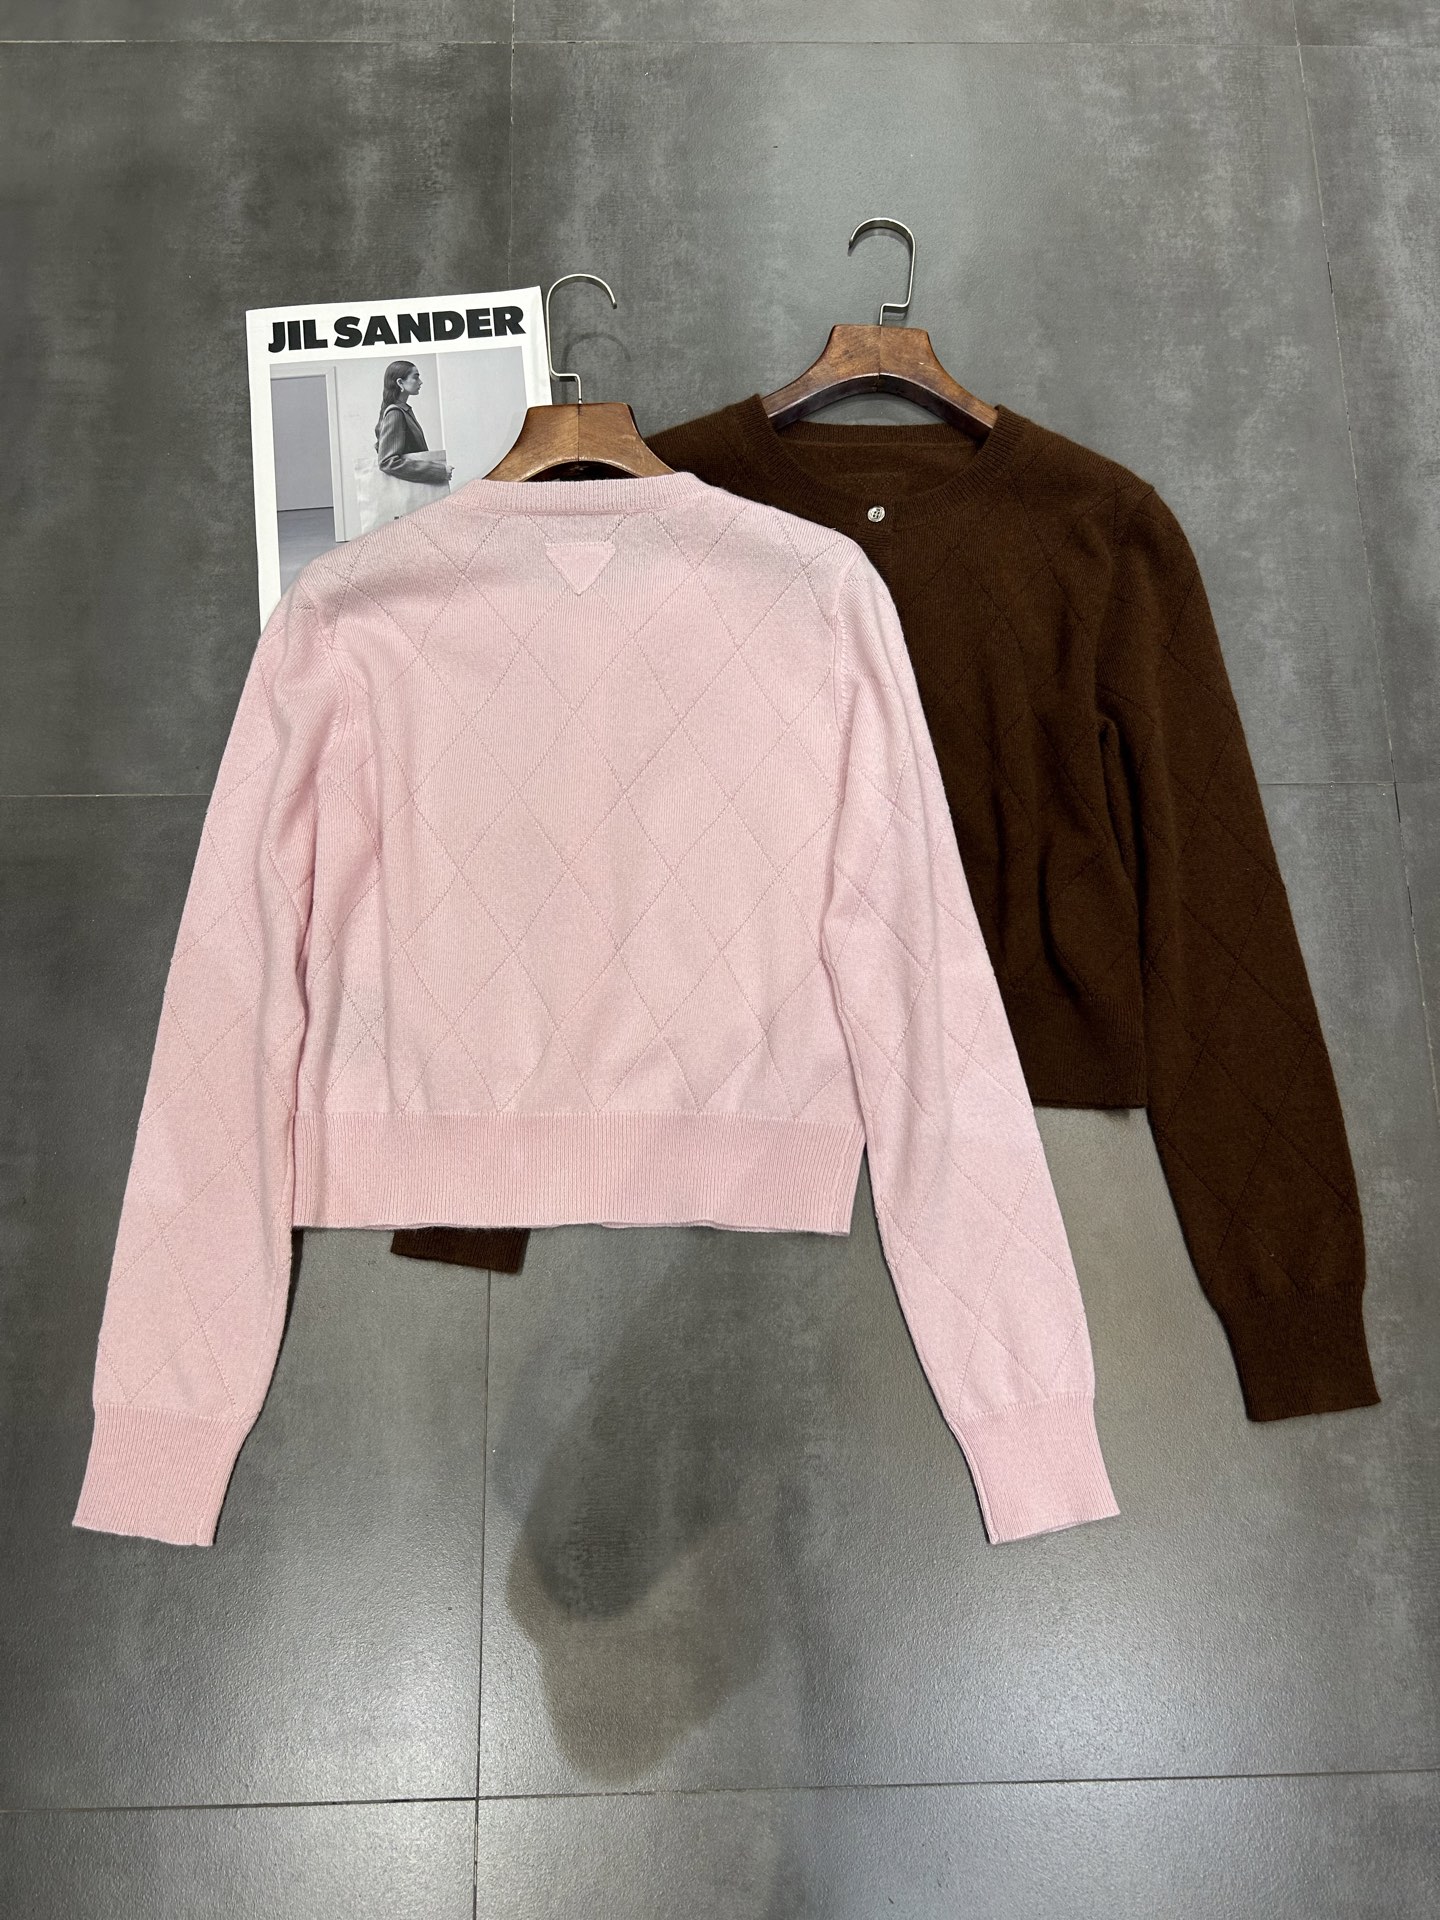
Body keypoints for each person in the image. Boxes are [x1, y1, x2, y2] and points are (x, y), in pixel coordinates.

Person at [374, 361, 453, 485]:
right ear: (400, 382)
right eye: (416, 377)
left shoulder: (403, 411)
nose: (420, 382)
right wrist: (438, 471)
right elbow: (387, 462)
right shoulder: (396, 413)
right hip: (411, 489)